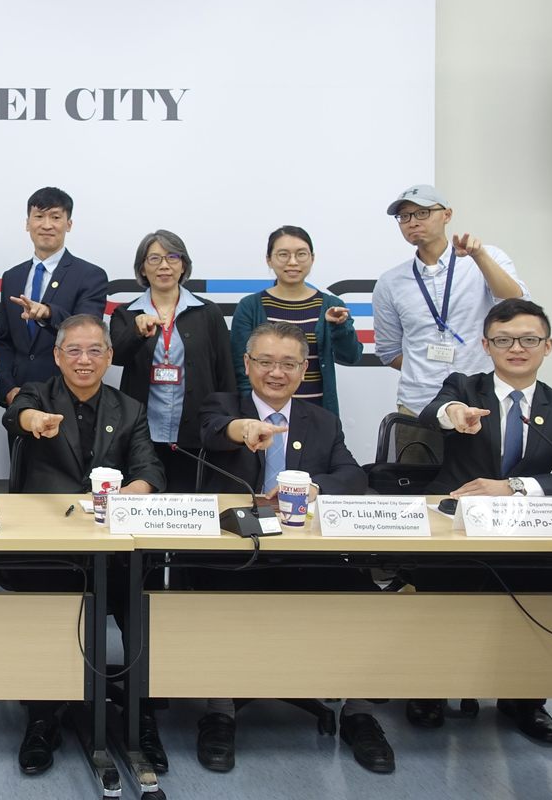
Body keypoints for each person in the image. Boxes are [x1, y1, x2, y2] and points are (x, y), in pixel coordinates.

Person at [193, 321, 389, 773]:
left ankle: (359, 712)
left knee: (361, 595)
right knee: (214, 597)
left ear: (304, 370)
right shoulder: (222, 404)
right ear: (247, 364)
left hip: (306, 552)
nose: (275, 373)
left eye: (287, 364)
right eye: (264, 362)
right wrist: (243, 428)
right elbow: (211, 430)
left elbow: (354, 475)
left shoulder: (321, 420)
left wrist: (316, 487)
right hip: (234, 552)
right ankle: (219, 710)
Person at [409, 298, 552, 745]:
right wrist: (452, 414)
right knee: (438, 599)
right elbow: (431, 412)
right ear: (486, 345)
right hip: (456, 532)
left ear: (547, 346)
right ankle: (427, 691)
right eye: (504, 340)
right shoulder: (464, 387)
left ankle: (525, 701)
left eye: (529, 339)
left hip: (525, 535)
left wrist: (513, 486)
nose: (517, 348)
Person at [2, 314, 164, 776]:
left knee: (141, 607)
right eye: (73, 350)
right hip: (48, 547)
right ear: (57, 356)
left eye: (95, 350)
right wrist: (35, 421)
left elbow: (149, 469)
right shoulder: (40, 394)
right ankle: (40, 718)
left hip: (112, 549)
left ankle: (138, 720)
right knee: (44, 620)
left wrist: (137, 491)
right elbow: (16, 415)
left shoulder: (128, 408)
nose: (84, 360)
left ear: (110, 356)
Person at [372, 185, 527, 415]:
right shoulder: (390, 282)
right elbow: (389, 350)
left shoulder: (486, 257)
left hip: (481, 400)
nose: (412, 222)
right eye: (404, 216)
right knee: (414, 452)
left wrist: (479, 257)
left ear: (447, 215)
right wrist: (422, 371)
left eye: (422, 212)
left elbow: (516, 305)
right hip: (418, 404)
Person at [111, 229, 234, 494]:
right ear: (142, 268)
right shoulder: (126, 313)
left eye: (172, 257)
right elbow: (116, 357)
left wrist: (226, 424)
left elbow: (226, 372)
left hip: (194, 434)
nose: (164, 266)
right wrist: (135, 333)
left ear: (183, 265)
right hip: (143, 434)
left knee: (189, 509)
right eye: (154, 259)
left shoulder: (208, 312)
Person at [0, 187, 108, 409]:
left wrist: (47, 313)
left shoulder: (90, 275)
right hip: (20, 399)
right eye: (39, 217)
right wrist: (8, 389)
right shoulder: (12, 277)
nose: (46, 225)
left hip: (70, 399)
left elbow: (87, 331)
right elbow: (4, 341)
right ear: (27, 223)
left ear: (69, 224)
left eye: (55, 217)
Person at [230, 225, 362, 415]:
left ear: (312, 258)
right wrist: (250, 414)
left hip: (317, 413)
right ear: (269, 259)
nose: (292, 262)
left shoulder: (331, 305)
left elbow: (350, 357)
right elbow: (241, 369)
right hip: (263, 415)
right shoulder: (250, 306)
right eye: (283, 254)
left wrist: (339, 327)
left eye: (301, 254)